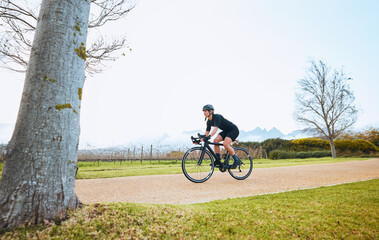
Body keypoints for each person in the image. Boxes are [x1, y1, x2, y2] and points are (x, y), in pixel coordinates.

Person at [201, 104, 240, 169]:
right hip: (226, 131)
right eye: (203, 111)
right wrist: (200, 139)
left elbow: (215, 129)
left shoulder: (217, 117)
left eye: (205, 111)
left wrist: (209, 136)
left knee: (225, 144)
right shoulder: (208, 122)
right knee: (215, 140)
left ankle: (236, 160)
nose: (204, 113)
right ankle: (218, 160)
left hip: (233, 130)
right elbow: (207, 132)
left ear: (211, 111)